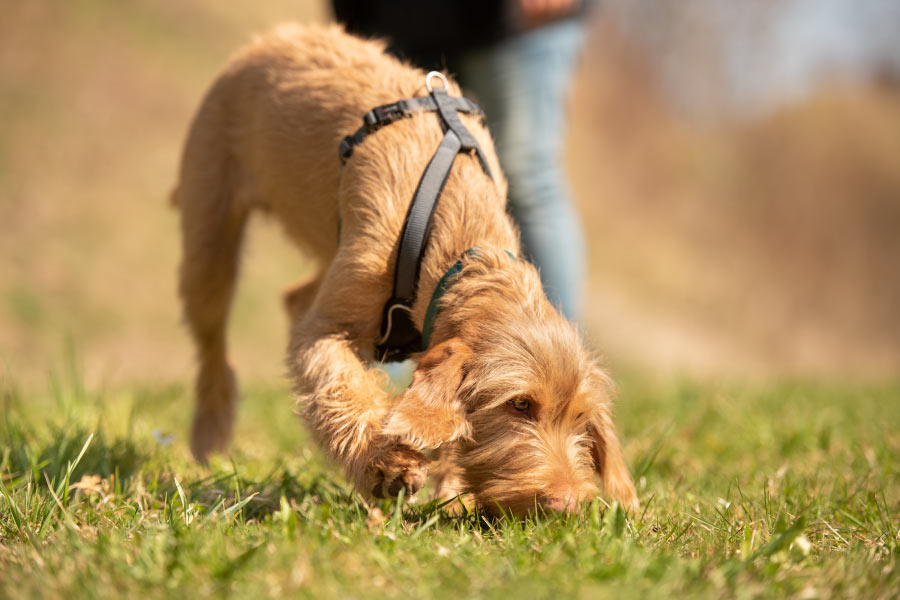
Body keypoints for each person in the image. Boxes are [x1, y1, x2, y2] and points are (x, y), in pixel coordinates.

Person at [334, 0, 588, 322]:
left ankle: (557, 361)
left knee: (527, 178)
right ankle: (384, 361)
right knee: (393, 190)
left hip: (517, 27)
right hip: (397, 19)